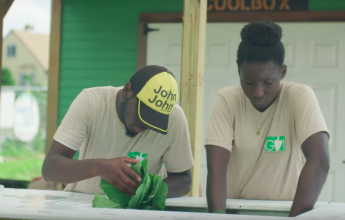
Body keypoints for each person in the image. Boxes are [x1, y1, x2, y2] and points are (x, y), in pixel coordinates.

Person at [205, 21, 330, 217]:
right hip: (234, 212)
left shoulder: (299, 96)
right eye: (248, 82)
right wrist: (218, 216)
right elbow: (216, 168)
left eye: (267, 82)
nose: (257, 92)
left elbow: (319, 161)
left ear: (282, 72)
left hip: (287, 212)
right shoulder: (227, 99)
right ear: (239, 71)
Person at [42, 65, 193, 198]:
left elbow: (183, 179)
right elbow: (50, 169)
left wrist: (147, 191)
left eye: (153, 123)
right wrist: (99, 167)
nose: (142, 127)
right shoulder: (91, 102)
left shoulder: (174, 119)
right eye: (142, 115)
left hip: (137, 213)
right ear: (127, 91)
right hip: (82, 204)